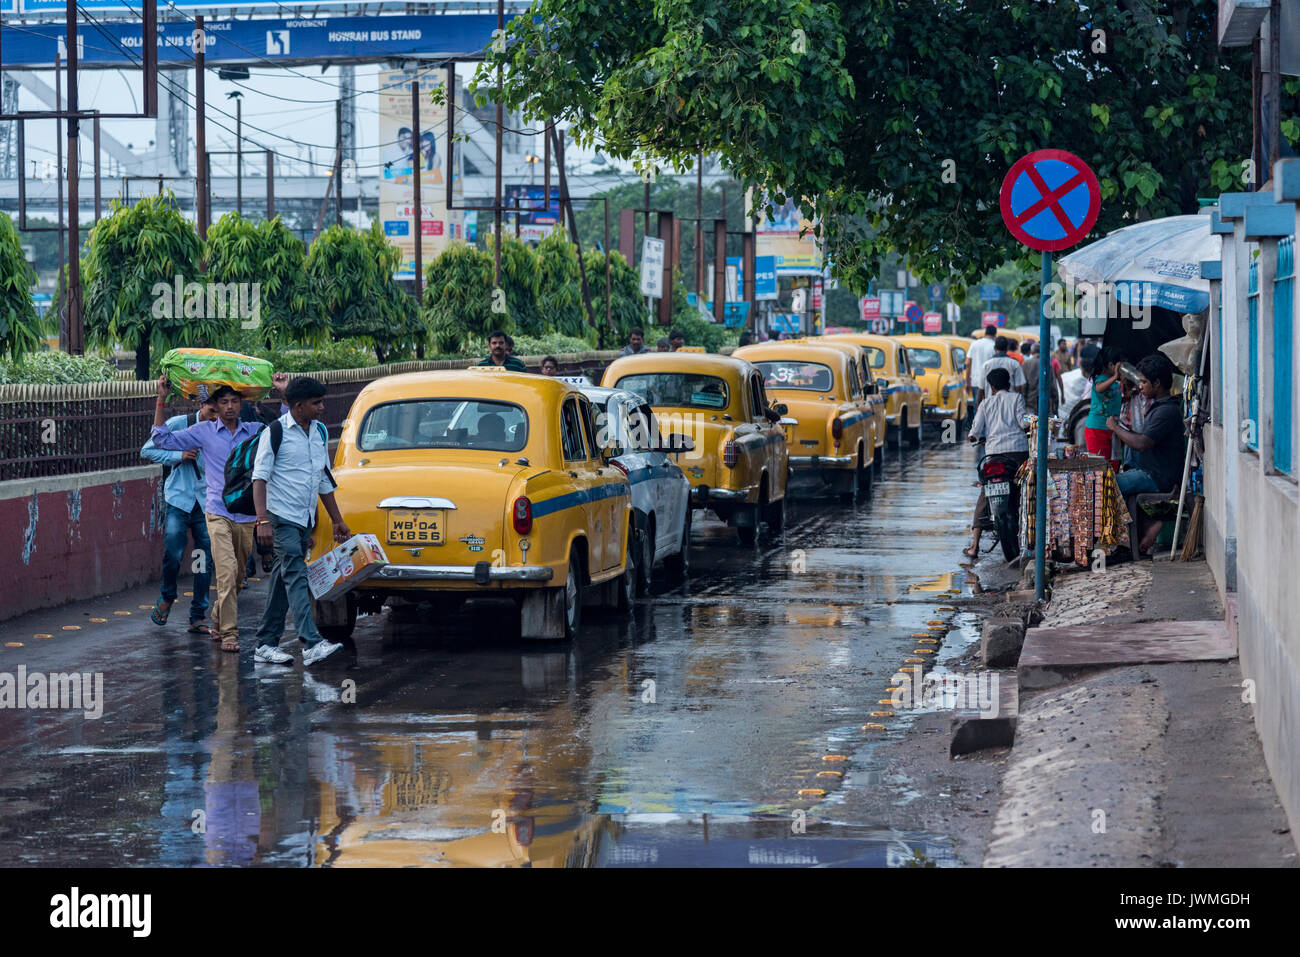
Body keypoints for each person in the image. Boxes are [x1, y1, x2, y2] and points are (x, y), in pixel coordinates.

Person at [149, 373, 290, 653]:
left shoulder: (254, 430)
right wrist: (161, 398)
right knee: (225, 574)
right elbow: (161, 439)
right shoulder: (203, 432)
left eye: (233, 402)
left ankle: (216, 616)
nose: (228, 407)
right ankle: (229, 634)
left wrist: (283, 395)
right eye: (223, 402)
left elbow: (284, 431)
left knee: (237, 578)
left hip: (247, 515)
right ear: (216, 405)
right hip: (215, 512)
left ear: (241, 404)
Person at [250, 376, 351, 667]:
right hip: (280, 516)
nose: (322, 408)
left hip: (304, 516)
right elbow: (260, 477)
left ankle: (265, 644)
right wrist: (262, 521)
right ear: (298, 406)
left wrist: (336, 520)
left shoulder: (318, 432)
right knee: (296, 573)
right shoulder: (276, 432)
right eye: (316, 403)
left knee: (283, 580)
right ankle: (311, 643)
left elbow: (323, 478)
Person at [141, 397, 217, 633]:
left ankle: (197, 615)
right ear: (201, 405)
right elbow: (148, 450)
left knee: (203, 559)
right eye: (211, 410)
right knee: (173, 550)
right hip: (178, 499)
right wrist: (178, 455)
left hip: (205, 502)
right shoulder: (178, 424)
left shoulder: (222, 429)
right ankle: (167, 596)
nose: (215, 416)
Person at [1107, 354, 1187, 554]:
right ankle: (1145, 527)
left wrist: (1115, 428)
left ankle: (1122, 543)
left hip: (1157, 476)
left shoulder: (1166, 411)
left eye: (1143, 382)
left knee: (1108, 484)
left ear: (1157, 383)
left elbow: (1143, 443)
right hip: (1149, 471)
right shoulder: (1158, 409)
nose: (1140, 386)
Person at [963, 366, 1028, 558]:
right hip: (1017, 453)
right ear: (1009, 383)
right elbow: (1023, 422)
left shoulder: (985, 404)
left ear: (992, 387)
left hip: (993, 456)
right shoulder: (1017, 398)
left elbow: (974, 432)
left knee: (985, 493)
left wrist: (973, 438)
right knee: (1025, 490)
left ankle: (974, 546)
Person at [1084, 346, 1123, 470]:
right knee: (1100, 467)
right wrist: (1115, 376)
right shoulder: (1101, 379)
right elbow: (1099, 388)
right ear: (1111, 365)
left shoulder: (1115, 382)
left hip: (1111, 429)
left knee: (1113, 464)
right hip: (1097, 429)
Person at [967, 325, 997, 408]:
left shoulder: (974, 344)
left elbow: (968, 363)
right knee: (990, 407)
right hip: (990, 383)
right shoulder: (994, 346)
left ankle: (977, 420)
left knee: (977, 407)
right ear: (995, 334)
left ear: (985, 333)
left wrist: (967, 381)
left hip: (975, 381)